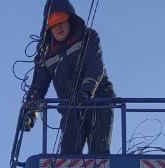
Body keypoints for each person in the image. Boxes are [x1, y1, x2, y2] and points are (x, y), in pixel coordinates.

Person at [23, 2, 115, 157]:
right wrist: (31, 112)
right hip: (71, 109)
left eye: (61, 22)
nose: (58, 27)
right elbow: (38, 86)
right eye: (54, 24)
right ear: (48, 28)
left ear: (69, 20)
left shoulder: (88, 36)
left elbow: (95, 66)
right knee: (67, 157)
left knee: (99, 156)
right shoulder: (46, 53)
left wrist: (85, 92)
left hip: (99, 102)